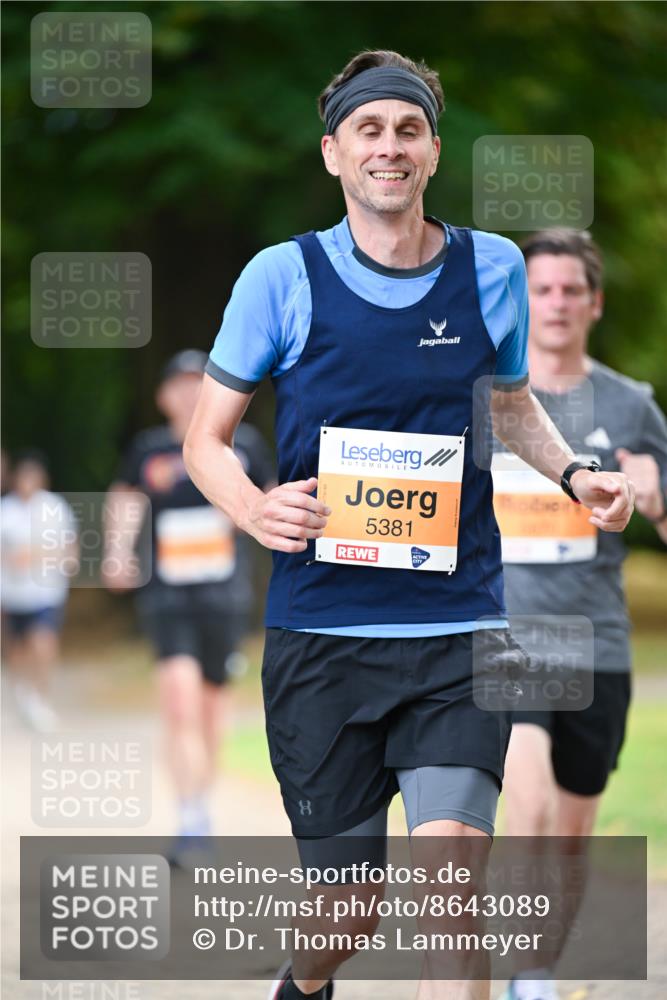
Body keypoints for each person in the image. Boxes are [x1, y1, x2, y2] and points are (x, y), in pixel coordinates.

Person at [183, 50, 634, 1000]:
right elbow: (206, 442)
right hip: (322, 641)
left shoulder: (493, 268)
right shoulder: (284, 276)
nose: (389, 147)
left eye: (408, 129)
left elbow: (505, 402)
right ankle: (302, 984)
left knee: (449, 898)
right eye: (368, 130)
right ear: (333, 154)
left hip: (457, 636)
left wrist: (574, 473)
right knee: (346, 913)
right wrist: (253, 505)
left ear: (432, 152)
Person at [493, 229, 667, 1000]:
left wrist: (655, 500)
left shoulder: (631, 405)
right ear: (520, 301)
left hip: (595, 646)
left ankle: (536, 968)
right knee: (523, 801)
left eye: (570, 290)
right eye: (541, 290)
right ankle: (517, 974)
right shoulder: (488, 400)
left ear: (593, 303)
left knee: (569, 835)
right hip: (505, 639)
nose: (556, 303)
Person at [104, 349, 274, 852]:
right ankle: (188, 814)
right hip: (167, 596)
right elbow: (125, 500)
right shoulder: (149, 450)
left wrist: (256, 515)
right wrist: (116, 552)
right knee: (178, 704)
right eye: (176, 383)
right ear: (162, 397)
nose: (187, 391)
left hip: (223, 597)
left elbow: (268, 496)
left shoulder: (243, 444)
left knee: (210, 712)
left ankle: (203, 800)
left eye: (196, 381)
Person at [1, 450, 78, 731]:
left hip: (45, 592)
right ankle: (23, 695)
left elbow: (69, 549)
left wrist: (37, 556)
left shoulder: (55, 508)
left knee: (43, 643)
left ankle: (41, 697)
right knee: (16, 649)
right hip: (12, 594)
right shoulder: (5, 510)